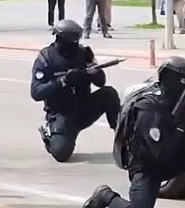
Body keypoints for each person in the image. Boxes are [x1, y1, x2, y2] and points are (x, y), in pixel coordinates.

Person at [81, 57, 185, 208]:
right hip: (148, 166)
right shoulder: (148, 108)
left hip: (174, 152)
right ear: (171, 79)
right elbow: (163, 153)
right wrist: (181, 126)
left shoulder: (180, 98)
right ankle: (105, 196)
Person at [31, 19, 121, 163]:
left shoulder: (83, 53)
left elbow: (101, 83)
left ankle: (123, 138)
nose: (73, 46)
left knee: (109, 93)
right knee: (61, 153)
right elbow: (36, 92)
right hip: (61, 113)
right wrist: (63, 82)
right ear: (59, 38)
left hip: (83, 107)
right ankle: (52, 137)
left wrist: (94, 72)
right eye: (70, 42)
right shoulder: (46, 58)